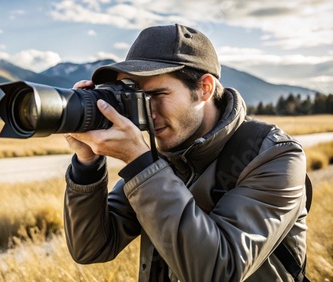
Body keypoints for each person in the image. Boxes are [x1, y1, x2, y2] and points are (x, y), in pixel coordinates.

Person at [62, 24, 308, 281]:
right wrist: (87, 163)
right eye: (137, 98)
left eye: (157, 94)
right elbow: (92, 248)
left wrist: (139, 163)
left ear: (205, 88)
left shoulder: (274, 156)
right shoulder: (162, 156)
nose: (148, 112)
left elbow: (218, 272)